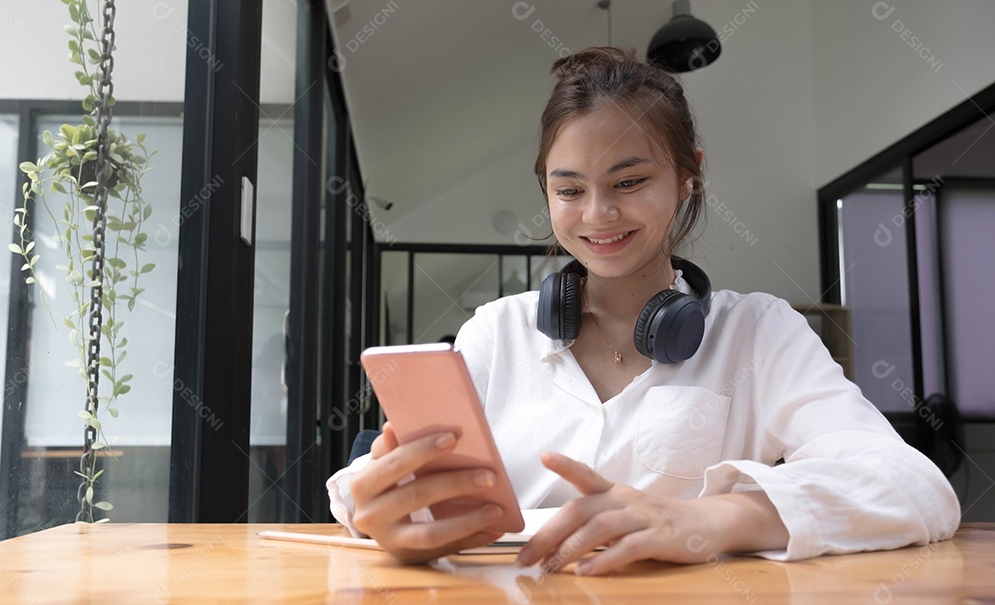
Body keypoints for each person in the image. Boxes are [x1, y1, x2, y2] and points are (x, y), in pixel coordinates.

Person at [326, 46, 960, 575]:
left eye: (629, 183)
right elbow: (363, 485)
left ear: (688, 177)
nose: (598, 215)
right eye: (569, 189)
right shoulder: (497, 331)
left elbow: (916, 489)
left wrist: (712, 516)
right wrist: (381, 509)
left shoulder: (758, 333)